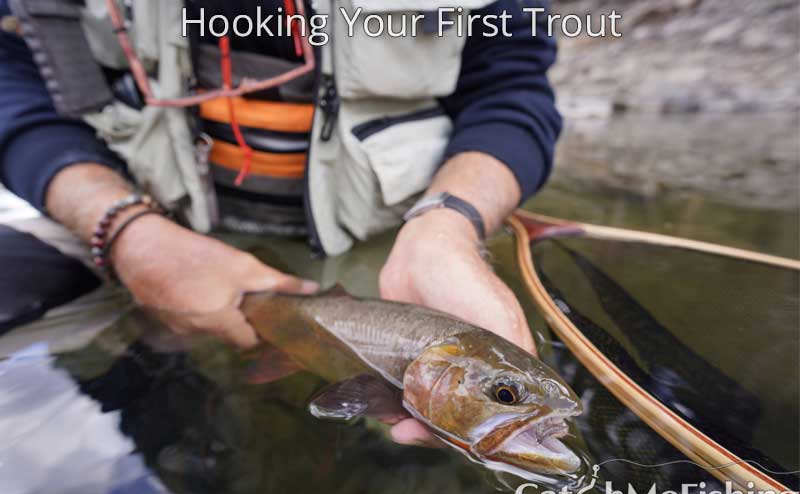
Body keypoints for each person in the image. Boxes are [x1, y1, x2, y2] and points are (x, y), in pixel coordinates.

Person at [0, 0, 561, 445]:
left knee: (388, 454)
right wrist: (124, 230)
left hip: (393, 234)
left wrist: (451, 223)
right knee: (141, 397)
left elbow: (513, 88)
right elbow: (10, 72)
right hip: (120, 199)